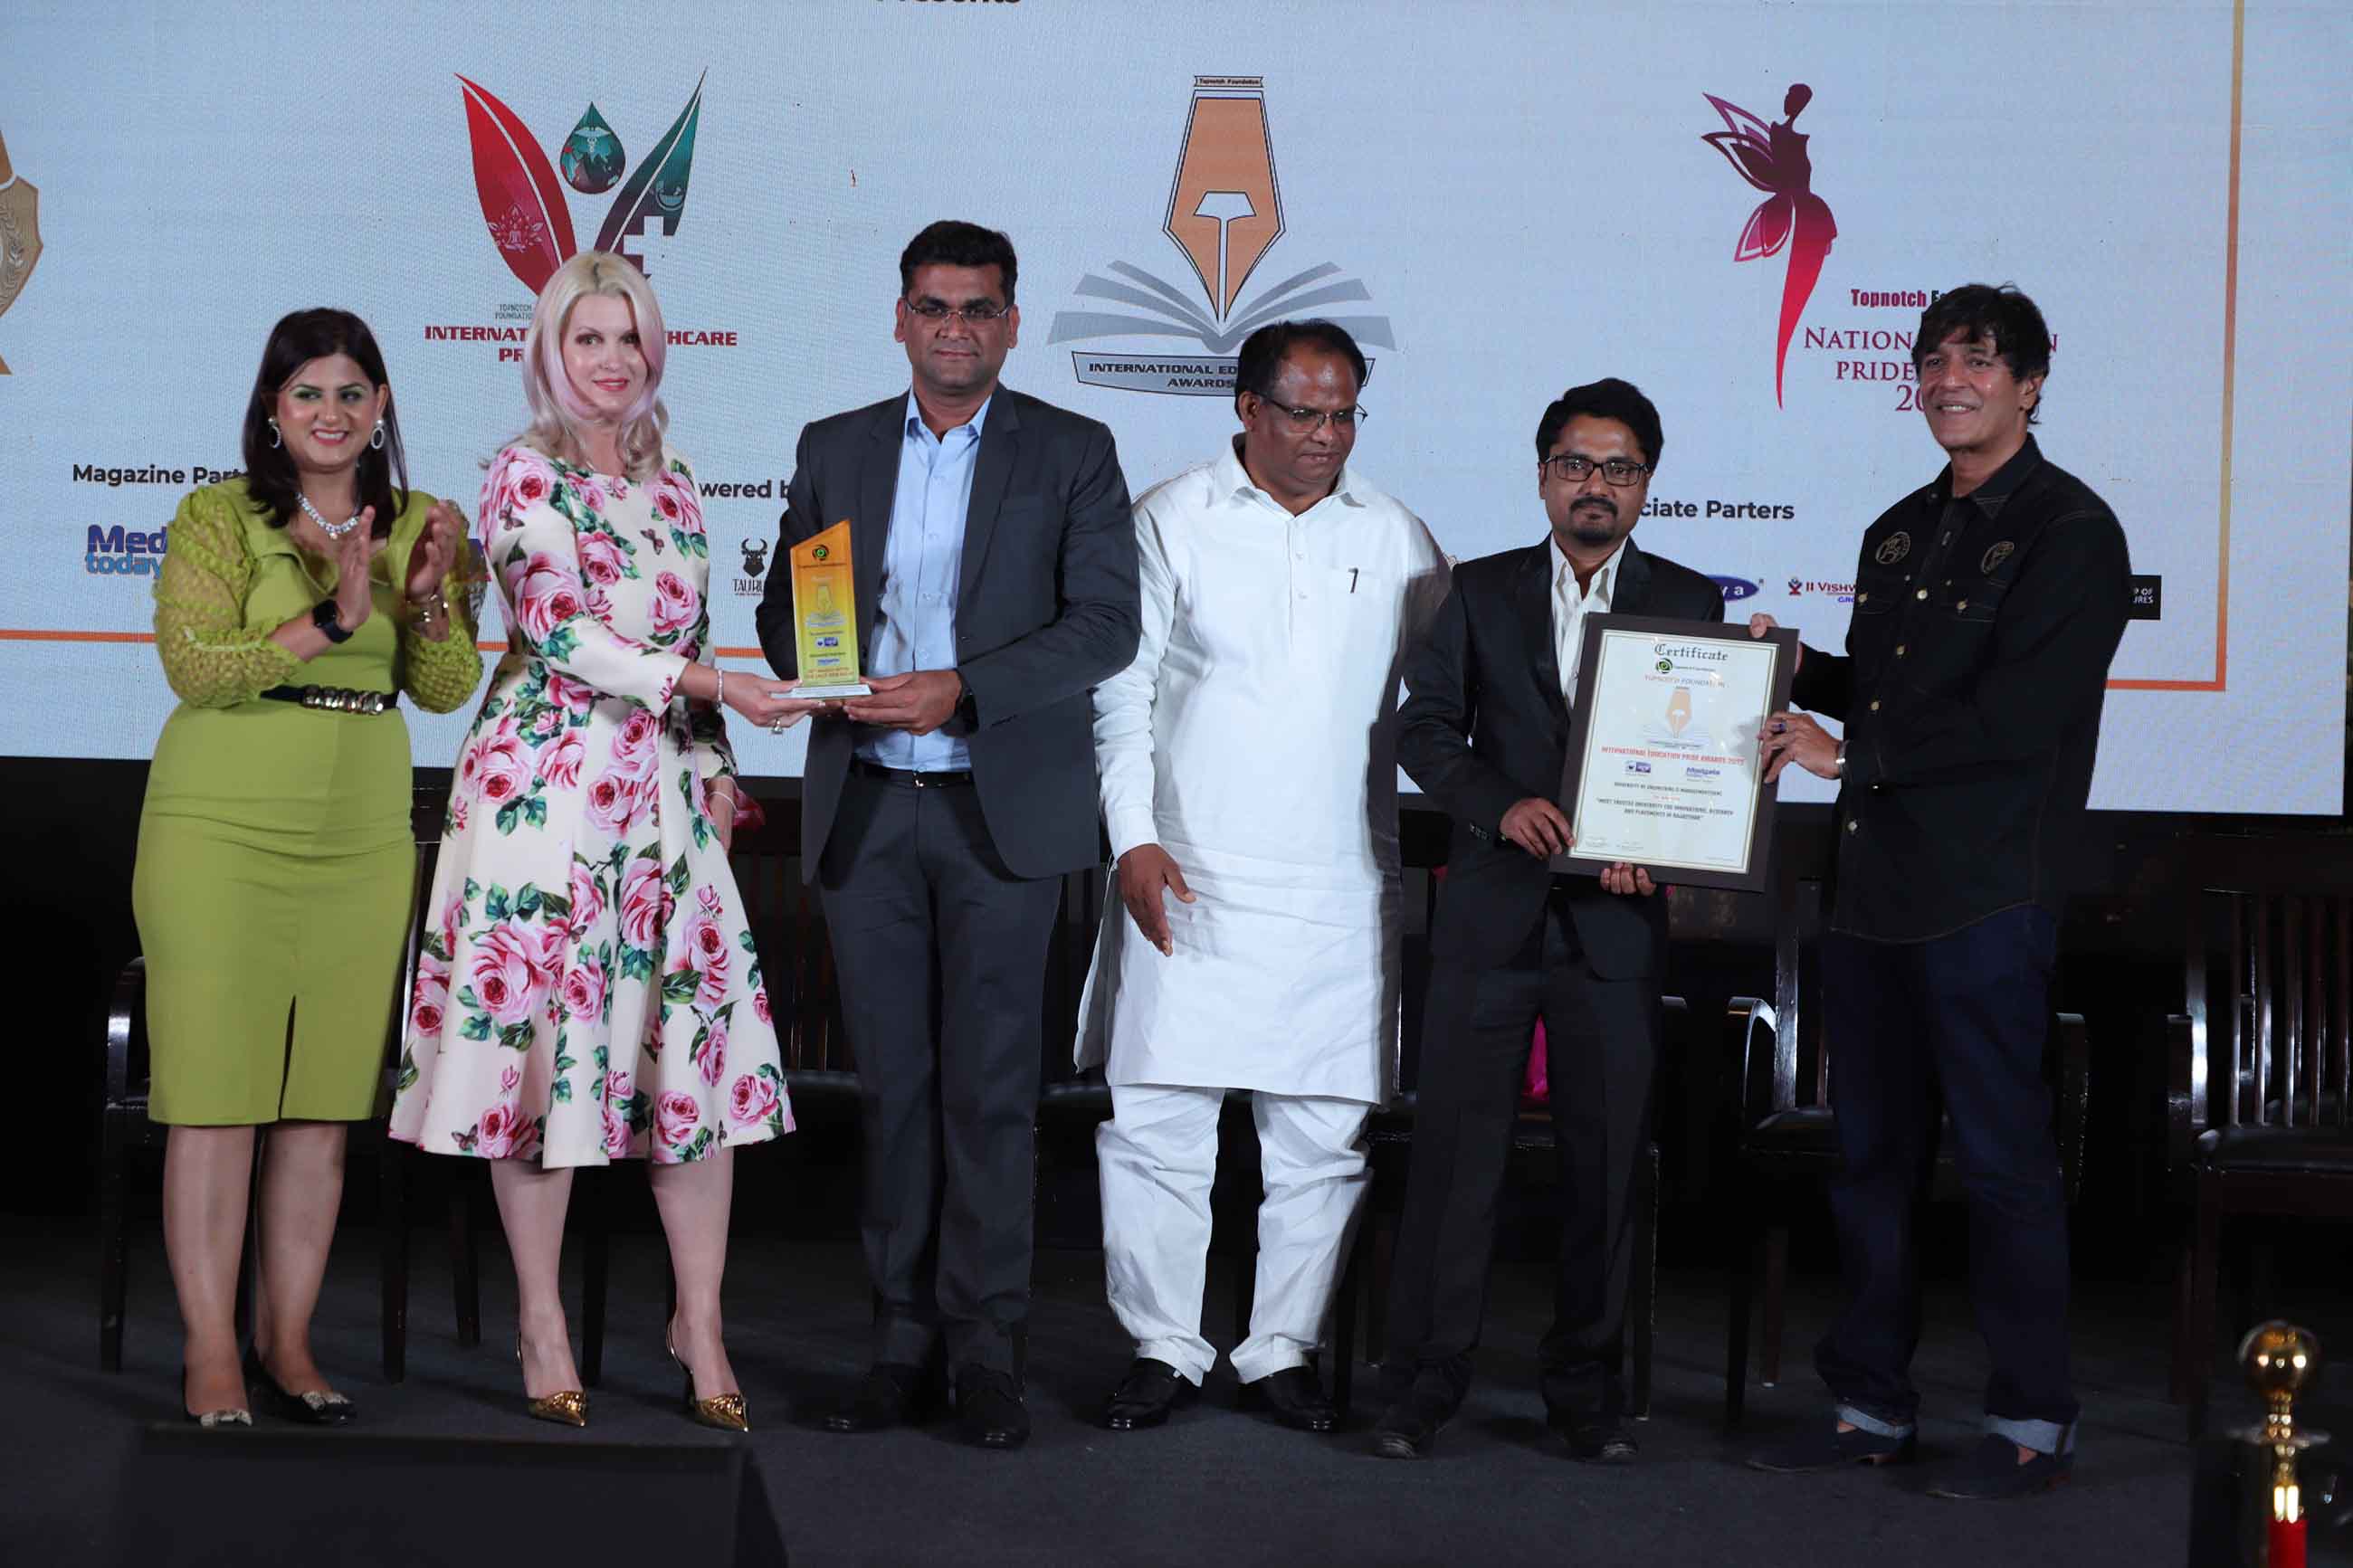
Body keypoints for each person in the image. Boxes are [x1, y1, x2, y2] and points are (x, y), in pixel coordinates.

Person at [391, 252, 807, 1432]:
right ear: (549, 351)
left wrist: (716, 763)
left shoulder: (679, 482)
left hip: (664, 794)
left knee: (694, 1060)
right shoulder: (522, 475)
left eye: (629, 337)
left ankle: (699, 1321)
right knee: (542, 1062)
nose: (612, 359)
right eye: (589, 338)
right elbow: (563, 634)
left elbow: (696, 632)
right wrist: (711, 686)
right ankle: (541, 1320)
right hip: (545, 790)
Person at [754, 219, 1139, 1449]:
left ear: (1011, 324)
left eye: (978, 308)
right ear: (900, 319)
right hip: (867, 806)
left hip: (996, 816)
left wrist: (961, 688)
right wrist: (818, 661)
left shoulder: (1072, 451)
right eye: (934, 306)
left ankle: (985, 1350)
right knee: (895, 1091)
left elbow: (1105, 627)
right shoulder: (835, 446)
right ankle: (897, 1342)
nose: (955, 328)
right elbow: (785, 609)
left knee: (991, 1095)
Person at [1746, 283, 2129, 1500]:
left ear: (2029, 383)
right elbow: (1893, 691)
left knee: (2004, 1161)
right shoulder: (1898, 530)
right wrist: (1794, 668)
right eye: (1931, 361)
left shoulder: (2073, 531)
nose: (1947, 380)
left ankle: (2030, 1417)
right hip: (1874, 892)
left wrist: (1848, 754)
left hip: (1986, 896)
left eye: (1977, 360)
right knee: (1871, 1160)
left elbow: (2020, 716)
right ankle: (1869, 1403)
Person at [1078, 321, 1449, 1435]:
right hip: (1185, 865)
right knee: (1157, 1123)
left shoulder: (1398, 538)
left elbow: (1445, 703)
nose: (1324, 435)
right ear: (1245, 408)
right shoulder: (1169, 517)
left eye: (1343, 415)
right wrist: (1133, 838)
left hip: (1338, 878)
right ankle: (1161, 1344)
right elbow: (1120, 695)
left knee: (1321, 1138)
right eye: (1302, 412)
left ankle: (1282, 1348)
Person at [133, 308, 482, 1426]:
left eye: (350, 392)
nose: (330, 413)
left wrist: (422, 597)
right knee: (216, 1100)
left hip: (361, 834)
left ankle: (286, 1343)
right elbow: (197, 667)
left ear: (381, 406)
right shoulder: (218, 516)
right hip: (219, 826)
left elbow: (443, 689)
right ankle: (211, 1352)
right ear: (272, 410)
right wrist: (333, 617)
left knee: (319, 1108)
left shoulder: (427, 520)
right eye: (307, 393)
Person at [1370, 378, 1725, 1462]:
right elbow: (1424, 731)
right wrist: (1498, 805)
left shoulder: (1688, 600)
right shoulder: (1474, 590)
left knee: (1604, 1169)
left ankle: (1584, 1393)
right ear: (1540, 477)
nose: (1594, 485)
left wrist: (1653, 845)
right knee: (1452, 1163)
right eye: (1574, 464)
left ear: (1646, 484)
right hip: (1490, 913)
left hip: (1613, 926)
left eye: (1618, 468)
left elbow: (1697, 760)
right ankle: (1423, 1384)